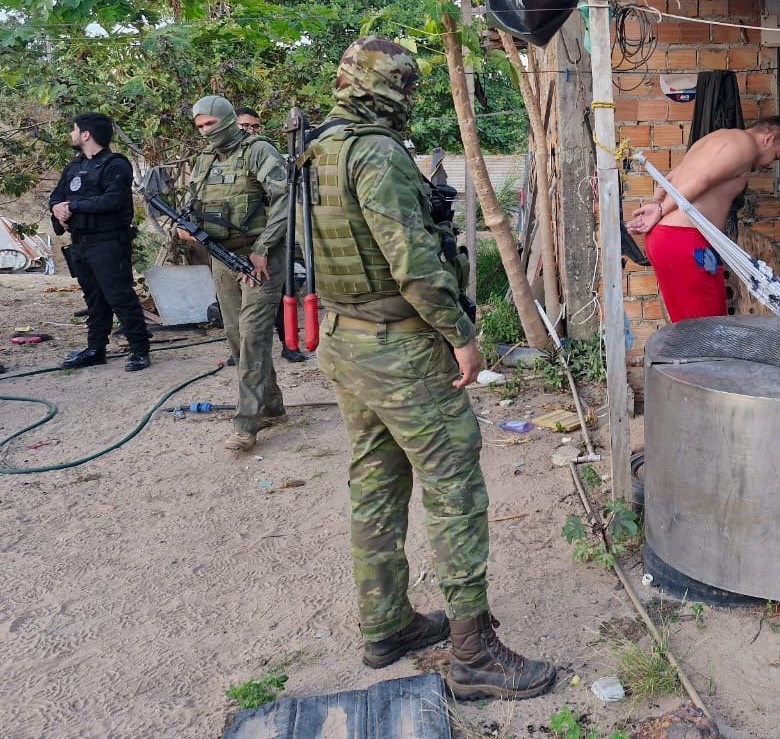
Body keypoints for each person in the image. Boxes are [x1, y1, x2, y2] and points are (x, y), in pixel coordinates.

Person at [306, 36, 555, 698]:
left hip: (344, 339)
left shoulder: (319, 147)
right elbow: (412, 261)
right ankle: (473, 653)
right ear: (393, 88)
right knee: (455, 491)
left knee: (375, 483)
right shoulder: (377, 153)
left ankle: (385, 624)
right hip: (399, 347)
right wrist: (462, 335)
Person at [182, 95, 291, 451]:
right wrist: (185, 226)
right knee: (235, 335)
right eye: (199, 127)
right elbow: (192, 205)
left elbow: (284, 201)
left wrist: (263, 248)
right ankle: (272, 406)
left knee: (253, 335)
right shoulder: (204, 160)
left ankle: (246, 424)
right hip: (222, 258)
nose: (205, 132)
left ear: (226, 119)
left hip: (259, 257)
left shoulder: (259, 151)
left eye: (209, 124)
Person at [627, 117, 780, 322]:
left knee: (688, 329)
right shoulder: (745, 145)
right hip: (686, 242)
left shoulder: (714, 139)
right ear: (769, 138)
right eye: (775, 157)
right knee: (711, 332)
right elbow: (702, 179)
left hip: (665, 238)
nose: (769, 165)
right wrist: (660, 209)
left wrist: (657, 204)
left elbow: (670, 178)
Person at [49, 113, 151, 372]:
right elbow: (57, 195)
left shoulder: (115, 165)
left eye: (74, 130)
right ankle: (96, 349)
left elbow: (112, 200)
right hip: (80, 243)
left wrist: (72, 206)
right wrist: (57, 209)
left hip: (108, 242)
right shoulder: (74, 166)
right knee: (94, 299)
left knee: (120, 297)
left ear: (86, 134)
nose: (71, 135)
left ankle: (139, 350)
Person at [236, 106, 308, 364]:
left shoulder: (266, 154)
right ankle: (243, 350)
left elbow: (281, 196)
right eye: (244, 126)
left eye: (255, 127)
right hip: (240, 241)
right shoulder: (228, 159)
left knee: (283, 294)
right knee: (238, 300)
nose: (250, 131)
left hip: (271, 238)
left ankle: (290, 345)